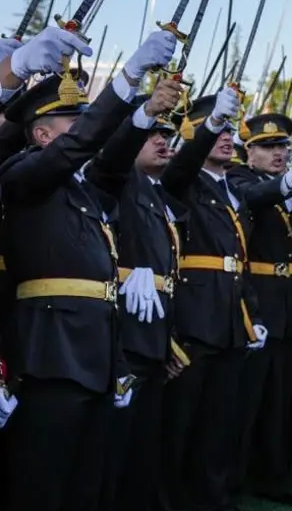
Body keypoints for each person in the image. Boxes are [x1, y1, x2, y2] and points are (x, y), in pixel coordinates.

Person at [0, 27, 176, 510]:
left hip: (96, 356)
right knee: (44, 484)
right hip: (50, 355)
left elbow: (113, 160)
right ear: (41, 135)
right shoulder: (23, 174)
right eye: (70, 122)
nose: (83, 129)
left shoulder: (84, 189)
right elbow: (76, 150)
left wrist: (141, 111)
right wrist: (125, 80)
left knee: (87, 485)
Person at [159, 86, 269, 511]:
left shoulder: (233, 188)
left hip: (230, 319)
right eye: (217, 130)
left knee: (220, 424)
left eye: (228, 131)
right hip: (194, 318)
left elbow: (240, 260)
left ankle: (214, 499)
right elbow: (181, 166)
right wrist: (208, 127)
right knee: (180, 424)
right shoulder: (184, 180)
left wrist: (251, 314)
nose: (226, 137)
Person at [85, 81, 188, 511]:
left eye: (167, 135)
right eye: (152, 135)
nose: (162, 141)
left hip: (153, 331)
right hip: (123, 330)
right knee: (114, 447)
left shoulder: (156, 194)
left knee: (143, 442)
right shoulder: (117, 179)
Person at [228, 112, 292, 503]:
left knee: (277, 402)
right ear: (249, 152)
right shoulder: (240, 179)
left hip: (286, 301)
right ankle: (231, 482)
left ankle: (273, 478)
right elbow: (253, 199)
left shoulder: (285, 187)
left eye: (283, 146)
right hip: (256, 301)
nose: (279, 153)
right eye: (268, 147)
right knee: (245, 402)